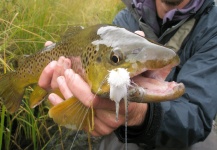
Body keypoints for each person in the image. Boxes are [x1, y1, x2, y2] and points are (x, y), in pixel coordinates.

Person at [39, 0, 217, 149]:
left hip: (179, 134)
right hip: (126, 130)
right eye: (115, 58)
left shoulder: (212, 28)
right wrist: (73, 97)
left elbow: (197, 114)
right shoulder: (126, 18)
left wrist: (141, 114)